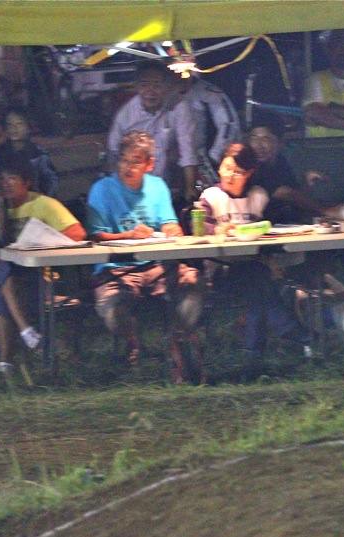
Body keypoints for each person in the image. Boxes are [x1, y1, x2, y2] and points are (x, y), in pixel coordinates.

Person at [86, 130, 203, 382]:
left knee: (192, 284)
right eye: (124, 161)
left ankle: (178, 342)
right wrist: (128, 235)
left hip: (158, 263)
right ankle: (134, 345)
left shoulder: (157, 186)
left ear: (149, 164)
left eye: (135, 162)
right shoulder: (102, 189)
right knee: (112, 309)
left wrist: (172, 229)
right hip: (116, 267)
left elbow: (170, 223)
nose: (127, 168)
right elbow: (95, 236)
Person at [197, 143, 313, 379]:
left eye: (237, 171)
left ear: (249, 173)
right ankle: (301, 337)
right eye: (226, 167)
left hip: (255, 265)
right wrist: (216, 228)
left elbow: (273, 225)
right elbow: (198, 223)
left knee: (257, 289)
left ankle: (253, 357)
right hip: (221, 269)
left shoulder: (258, 196)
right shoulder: (211, 196)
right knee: (259, 288)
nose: (229, 175)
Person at [0, 155, 86, 374]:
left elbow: (77, 232)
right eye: (2, 179)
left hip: (37, 274)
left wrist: (44, 241)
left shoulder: (43, 204)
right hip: (4, 271)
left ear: (26, 182)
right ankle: (27, 333)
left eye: (12, 179)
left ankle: (6, 361)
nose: (6, 184)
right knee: (2, 275)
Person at [107, 60, 199, 209]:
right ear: (136, 86)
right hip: (133, 188)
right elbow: (113, 154)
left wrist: (190, 187)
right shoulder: (125, 115)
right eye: (144, 84)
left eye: (157, 85)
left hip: (168, 186)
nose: (150, 91)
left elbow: (187, 150)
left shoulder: (179, 107)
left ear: (167, 87)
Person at [246, 116, 341, 223]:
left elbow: (297, 198)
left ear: (280, 143)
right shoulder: (249, 166)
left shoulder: (281, 162)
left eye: (265, 139)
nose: (258, 145)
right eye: (254, 139)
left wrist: (306, 183)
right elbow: (284, 193)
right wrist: (325, 210)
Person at [175, 72, 242, 187]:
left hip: (201, 158)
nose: (180, 77)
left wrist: (215, 155)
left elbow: (229, 124)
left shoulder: (209, 92)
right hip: (166, 158)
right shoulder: (159, 92)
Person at [0, 106, 59, 198]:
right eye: (10, 124)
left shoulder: (38, 154)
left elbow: (51, 184)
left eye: (19, 123)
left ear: (28, 126)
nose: (14, 128)